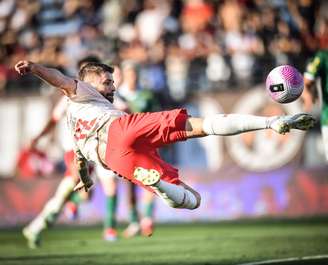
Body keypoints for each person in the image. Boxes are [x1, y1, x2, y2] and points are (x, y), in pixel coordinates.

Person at [14, 60, 315, 213]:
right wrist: (35, 68)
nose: (113, 87)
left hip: (112, 158)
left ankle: (157, 185)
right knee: (202, 125)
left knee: (192, 200)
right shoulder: (82, 91)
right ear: (88, 82)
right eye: (108, 82)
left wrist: (85, 179)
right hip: (121, 128)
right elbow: (59, 78)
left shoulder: (72, 124)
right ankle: (273, 122)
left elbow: (80, 161)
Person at [303, 49, 328, 160]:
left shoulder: (322, 56)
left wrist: (310, 95)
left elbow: (307, 80)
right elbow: (307, 80)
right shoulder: (322, 56)